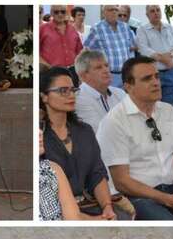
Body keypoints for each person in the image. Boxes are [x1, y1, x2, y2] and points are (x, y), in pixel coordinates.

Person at [97, 56, 173, 220]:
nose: (156, 82)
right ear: (128, 86)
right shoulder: (114, 121)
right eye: (147, 79)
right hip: (137, 195)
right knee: (171, 228)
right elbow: (122, 181)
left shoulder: (167, 111)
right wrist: (169, 200)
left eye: (157, 76)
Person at [41, 67, 117, 220]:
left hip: (88, 204)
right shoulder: (39, 136)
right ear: (44, 97)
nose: (71, 95)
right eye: (63, 90)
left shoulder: (84, 131)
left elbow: (97, 174)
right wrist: (91, 221)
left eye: (73, 90)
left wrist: (107, 207)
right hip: (54, 212)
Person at [136, 5, 173, 112]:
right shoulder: (142, 30)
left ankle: (172, 128)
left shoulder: (169, 27)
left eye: (158, 10)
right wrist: (163, 59)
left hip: (171, 72)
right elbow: (143, 49)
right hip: (154, 73)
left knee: (172, 104)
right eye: (152, 11)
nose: (156, 13)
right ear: (147, 15)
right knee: (154, 105)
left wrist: (172, 53)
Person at [74, 50, 127, 132]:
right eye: (98, 68)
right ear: (83, 76)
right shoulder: (79, 99)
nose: (106, 70)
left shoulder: (119, 93)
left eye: (106, 65)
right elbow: (100, 132)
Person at [84, 5, 135, 89]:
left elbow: (132, 46)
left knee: (126, 101)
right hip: (108, 75)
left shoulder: (125, 27)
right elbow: (86, 50)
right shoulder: (97, 29)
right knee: (111, 101)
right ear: (104, 13)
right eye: (111, 10)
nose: (114, 12)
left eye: (116, 10)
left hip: (126, 75)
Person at [39, 129, 83, 220]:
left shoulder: (51, 169)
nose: (40, 132)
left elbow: (73, 218)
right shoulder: (51, 168)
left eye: (40, 127)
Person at [40, 6, 83, 71]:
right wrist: (47, 67)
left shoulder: (72, 29)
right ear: (51, 13)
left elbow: (79, 51)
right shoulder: (43, 29)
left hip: (72, 72)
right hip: (51, 73)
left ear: (66, 13)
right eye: (56, 12)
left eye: (63, 12)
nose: (60, 14)